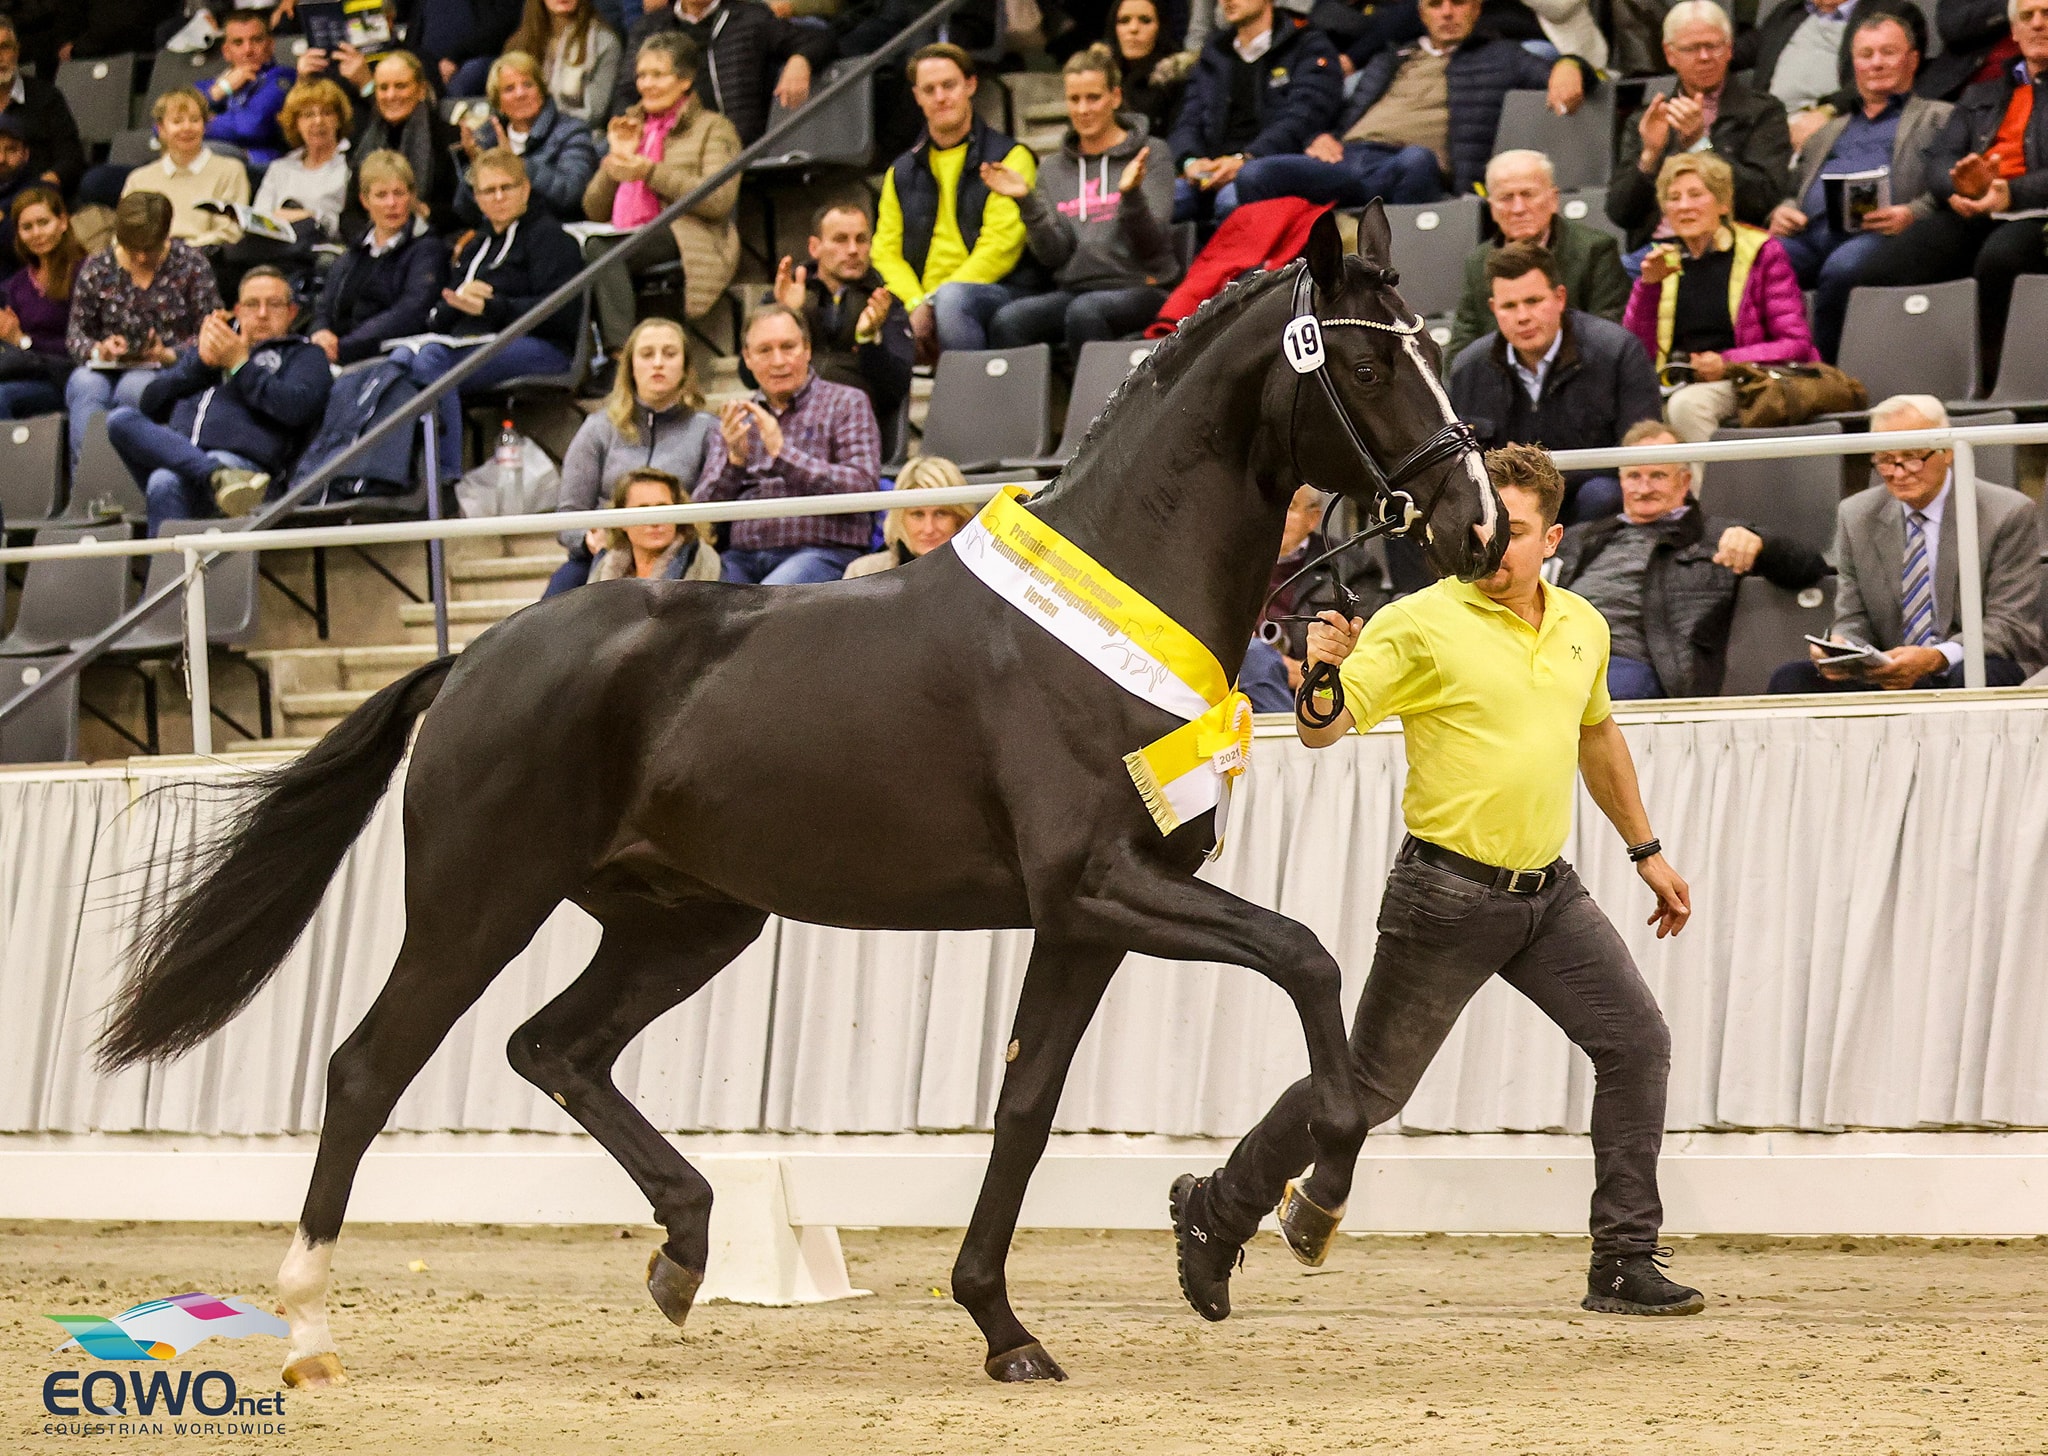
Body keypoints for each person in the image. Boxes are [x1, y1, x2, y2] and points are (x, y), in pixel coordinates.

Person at [1169, 442, 1701, 1326]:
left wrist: (1646, 849)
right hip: (1446, 898)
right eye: (1478, 528)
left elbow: (1596, 736)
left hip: (1550, 894)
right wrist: (1324, 669)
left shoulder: (1581, 624)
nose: (1490, 548)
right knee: (1367, 1094)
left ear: (1553, 537)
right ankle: (1219, 1209)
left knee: (1636, 1044)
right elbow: (1322, 729)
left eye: (1513, 533)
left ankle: (1622, 1259)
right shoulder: (1421, 621)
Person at [1769, 394, 2045, 692]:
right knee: (1792, 679)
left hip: (1976, 660)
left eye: (1912, 457)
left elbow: (2010, 625)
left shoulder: (2007, 513)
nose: (1898, 473)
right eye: (1886, 460)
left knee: (1970, 677)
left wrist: (1934, 658)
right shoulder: (1856, 515)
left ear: (1947, 451)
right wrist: (1842, 647)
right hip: (1890, 669)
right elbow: (1853, 617)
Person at [1845, 0, 2048, 388]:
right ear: (2015, 33)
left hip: (2035, 213)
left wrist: (2009, 193)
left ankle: (1991, 388)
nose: (2038, 24)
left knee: (2000, 257)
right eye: (2028, 17)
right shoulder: (1981, 95)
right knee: (1876, 270)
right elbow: (1940, 158)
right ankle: (1892, 390)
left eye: (2047, 14)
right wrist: (1958, 186)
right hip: (1972, 211)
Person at [1553, 420, 1829, 699]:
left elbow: (1810, 567)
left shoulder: (1716, 537)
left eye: (1658, 475)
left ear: (1684, 481)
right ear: (1621, 480)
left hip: (1635, 663)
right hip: (1559, 652)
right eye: (1634, 475)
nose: (1644, 488)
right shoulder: (1580, 538)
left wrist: (1763, 544)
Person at [1232, 0, 1591, 209]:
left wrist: (1571, 64)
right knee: (1254, 175)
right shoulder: (1391, 57)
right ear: (1422, 12)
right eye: (1436, 4)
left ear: (1477, 8)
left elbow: (1571, 74)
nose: (1447, 12)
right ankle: (1266, 285)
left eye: (1458, 2)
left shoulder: (1501, 55)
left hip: (1411, 165)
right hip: (1348, 159)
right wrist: (1323, 137)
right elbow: (1349, 114)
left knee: (1417, 160)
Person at [1766, 10, 1953, 362]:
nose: (1876, 63)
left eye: (1888, 52)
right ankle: (1760, 369)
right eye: (1866, 55)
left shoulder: (1940, 118)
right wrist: (1786, 209)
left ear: (1912, 60)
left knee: (1843, 268)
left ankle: (1825, 374)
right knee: (1759, 260)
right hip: (1809, 235)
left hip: (1881, 234)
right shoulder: (1826, 131)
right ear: (1854, 65)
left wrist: (1912, 213)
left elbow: (1950, 183)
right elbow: (1792, 188)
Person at [392, 149, 584, 478]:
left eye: (506, 188)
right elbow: (437, 317)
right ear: (477, 198)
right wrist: (456, 304)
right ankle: (398, 479)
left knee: (432, 360)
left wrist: (492, 307)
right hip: (473, 341)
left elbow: (561, 312)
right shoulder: (473, 247)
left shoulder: (551, 238)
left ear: (525, 189)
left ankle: (445, 482)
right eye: (487, 191)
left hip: (543, 346)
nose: (497, 198)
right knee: (399, 359)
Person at [106, 265, 332, 535]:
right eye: (252, 304)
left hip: (252, 476)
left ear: (292, 312)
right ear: (237, 311)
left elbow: (297, 408)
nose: (262, 314)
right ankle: (216, 475)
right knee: (120, 420)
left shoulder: (305, 355)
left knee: (163, 480)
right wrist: (201, 366)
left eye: (273, 305)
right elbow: (153, 403)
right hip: (186, 462)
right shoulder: (210, 350)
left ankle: (173, 573)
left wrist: (239, 365)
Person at [981, 45, 1180, 351]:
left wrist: (1131, 196)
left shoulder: (1150, 153)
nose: (1083, 109)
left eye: (1093, 98)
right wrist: (1026, 201)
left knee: (1085, 312)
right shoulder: (1052, 168)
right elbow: (1054, 257)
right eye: (1074, 99)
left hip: (1142, 285)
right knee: (1009, 320)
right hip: (1077, 289)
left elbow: (1152, 246)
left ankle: (1095, 401)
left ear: (1114, 97)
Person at [1450, 242, 1662, 523]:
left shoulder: (1618, 353)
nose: (1523, 317)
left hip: (1588, 507)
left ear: (1560, 298)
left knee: (1602, 494)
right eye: (1509, 306)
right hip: (1507, 509)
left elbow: (1640, 459)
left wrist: (1541, 469)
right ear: (1493, 309)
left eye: (1534, 301)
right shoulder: (1468, 369)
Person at [1623, 153, 1817, 443]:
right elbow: (1637, 351)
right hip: (1676, 382)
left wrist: (1727, 362)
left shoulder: (1761, 251)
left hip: (1749, 381)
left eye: (1696, 195)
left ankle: (1708, 491)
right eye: (1673, 198)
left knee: (1688, 405)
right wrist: (1647, 285)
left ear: (1723, 203)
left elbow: (1796, 344)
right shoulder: (1663, 259)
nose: (1684, 206)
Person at [693, 303, 882, 584]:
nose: (778, 361)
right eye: (764, 351)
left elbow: (863, 486)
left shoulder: (847, 402)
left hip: (822, 551)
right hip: (742, 556)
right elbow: (702, 510)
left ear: (807, 350)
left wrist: (782, 454)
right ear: (747, 358)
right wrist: (734, 460)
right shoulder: (738, 415)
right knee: (699, 602)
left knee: (767, 600)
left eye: (788, 347)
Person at [872, 45, 1041, 356]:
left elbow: (1000, 247)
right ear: (917, 97)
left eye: (949, 85)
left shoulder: (1009, 157)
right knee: (866, 321)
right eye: (929, 89)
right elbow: (884, 252)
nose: (940, 97)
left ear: (970, 86)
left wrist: (934, 302)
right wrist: (915, 302)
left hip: (1000, 289)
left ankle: (967, 401)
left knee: (953, 300)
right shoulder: (901, 171)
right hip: (922, 298)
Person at [582, 30, 742, 349]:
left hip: (689, 233)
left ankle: (619, 354)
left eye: (658, 74)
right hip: (631, 232)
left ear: (685, 81)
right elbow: (594, 209)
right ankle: (585, 357)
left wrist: (650, 172)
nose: (646, 84)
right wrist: (616, 160)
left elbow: (718, 200)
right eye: (641, 75)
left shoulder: (713, 127)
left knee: (600, 250)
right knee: (573, 249)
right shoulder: (630, 125)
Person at [550, 316, 721, 593]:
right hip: (604, 554)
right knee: (552, 609)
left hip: (682, 556)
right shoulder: (598, 428)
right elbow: (568, 515)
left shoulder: (708, 429)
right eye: (646, 354)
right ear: (630, 367)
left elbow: (712, 511)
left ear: (686, 367)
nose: (657, 363)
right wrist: (587, 539)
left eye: (669, 354)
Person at [1607, 2, 1794, 251]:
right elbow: (1621, 214)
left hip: (1730, 244)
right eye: (1692, 48)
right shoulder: (1647, 119)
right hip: (1661, 247)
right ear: (1670, 54)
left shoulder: (1763, 111)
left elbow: (1763, 200)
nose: (1704, 57)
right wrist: (1649, 157)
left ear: (1729, 49)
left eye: (1713, 46)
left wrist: (1698, 145)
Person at [64, 192, 222, 469]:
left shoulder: (191, 265)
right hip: (108, 366)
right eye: (131, 247)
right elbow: (76, 334)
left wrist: (169, 354)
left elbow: (213, 331)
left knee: (133, 387)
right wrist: (99, 349)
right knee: (83, 383)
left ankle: (127, 485)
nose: (139, 256)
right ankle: (89, 482)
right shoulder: (98, 268)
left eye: (149, 249)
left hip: (167, 367)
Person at [1445, 149, 1631, 362]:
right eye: (1506, 198)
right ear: (1492, 209)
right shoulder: (1477, 263)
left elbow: (1608, 335)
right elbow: (1461, 351)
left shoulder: (1595, 250)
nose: (1518, 208)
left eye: (1527, 194)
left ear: (1553, 199)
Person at [1167, 0, 1341, 223]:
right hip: (1210, 171)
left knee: (1232, 199)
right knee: (1158, 200)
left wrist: (1246, 159)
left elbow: (1305, 116)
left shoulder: (1307, 43)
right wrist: (1190, 161)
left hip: (1271, 168)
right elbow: (1187, 119)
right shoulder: (1214, 52)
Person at [608, 0, 832, 145]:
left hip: (732, 145)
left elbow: (820, 38)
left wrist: (800, 59)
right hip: (667, 145)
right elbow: (627, 90)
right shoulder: (650, 27)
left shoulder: (750, 18)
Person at [772, 199, 914, 423]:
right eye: (840, 240)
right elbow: (749, 373)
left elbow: (895, 389)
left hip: (853, 425)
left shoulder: (886, 304)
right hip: (789, 419)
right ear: (814, 247)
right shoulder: (785, 294)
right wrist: (787, 316)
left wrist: (868, 340)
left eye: (861, 240)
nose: (852, 250)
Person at [308, 151, 450, 368]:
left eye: (399, 193)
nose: (391, 203)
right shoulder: (354, 251)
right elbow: (325, 305)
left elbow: (410, 311)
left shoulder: (427, 249)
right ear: (365, 200)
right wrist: (320, 332)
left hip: (385, 357)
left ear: (412, 196)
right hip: (336, 354)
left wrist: (344, 347)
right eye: (381, 195)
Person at [1735, 0, 1924, 152]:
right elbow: (1737, 51)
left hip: (1835, 121)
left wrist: (1828, 111)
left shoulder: (1891, 12)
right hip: (1767, 123)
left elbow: (1884, 76)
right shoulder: (1789, 12)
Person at [453, 52, 600, 225]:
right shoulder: (488, 137)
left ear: (541, 90)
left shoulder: (572, 131)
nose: (520, 94)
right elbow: (464, 210)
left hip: (555, 230)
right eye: (509, 89)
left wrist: (517, 164)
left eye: (528, 85)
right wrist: (476, 167)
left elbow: (572, 193)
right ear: (498, 102)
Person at [345, 51, 461, 234]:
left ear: (421, 90)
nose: (391, 95)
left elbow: (461, 212)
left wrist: (424, 212)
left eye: (400, 86)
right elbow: (350, 213)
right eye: (383, 88)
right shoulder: (363, 140)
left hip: (431, 241)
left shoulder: (449, 138)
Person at [556, 467, 722, 593]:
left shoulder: (701, 560)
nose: (655, 521)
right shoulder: (606, 564)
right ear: (622, 520)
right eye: (643, 510)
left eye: (663, 508)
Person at [122, 89, 251, 251]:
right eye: (177, 121)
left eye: (195, 120)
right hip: (147, 257)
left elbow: (229, 231)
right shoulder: (139, 179)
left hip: (203, 257)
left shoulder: (231, 170)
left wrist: (180, 251)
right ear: (161, 129)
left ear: (204, 126)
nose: (187, 128)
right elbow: (125, 233)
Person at [0, 185, 86, 418]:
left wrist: (22, 341)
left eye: (43, 222)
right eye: (27, 227)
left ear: (63, 222)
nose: (36, 233)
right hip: (21, 374)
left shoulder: (85, 273)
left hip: (66, 379)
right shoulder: (16, 285)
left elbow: (79, 346)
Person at [250, 79, 355, 243]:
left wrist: (310, 217)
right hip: (278, 246)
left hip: (324, 247)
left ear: (339, 119)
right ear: (296, 124)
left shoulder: (351, 165)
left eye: (326, 113)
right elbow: (259, 218)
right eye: (308, 115)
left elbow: (353, 224)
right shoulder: (280, 167)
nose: (318, 121)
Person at [843, 454, 974, 576]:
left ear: (960, 517)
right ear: (899, 517)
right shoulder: (862, 573)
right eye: (918, 514)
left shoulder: (983, 576)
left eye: (941, 513)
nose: (929, 528)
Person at [0, 15, 87, 199]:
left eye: (4, 48)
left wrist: (47, 184)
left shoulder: (47, 97)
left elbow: (71, 158)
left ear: (17, 51)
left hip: (37, 198)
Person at [505, 0, 625, 123]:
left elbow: (594, 113)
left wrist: (545, 122)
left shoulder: (604, 43)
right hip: (521, 130)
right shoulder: (519, 44)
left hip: (578, 134)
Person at [203, 11, 295, 167]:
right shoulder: (215, 84)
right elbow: (161, 126)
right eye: (238, 43)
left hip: (265, 164)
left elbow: (251, 126)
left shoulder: (283, 78)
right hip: (225, 162)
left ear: (270, 45)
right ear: (226, 51)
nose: (248, 50)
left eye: (256, 40)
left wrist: (195, 123)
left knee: (199, 151)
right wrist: (219, 91)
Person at [1110, 0, 1195, 136]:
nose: (1133, 29)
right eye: (1124, 20)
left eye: (1145, 20)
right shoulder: (1100, 78)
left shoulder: (1180, 81)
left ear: (1161, 26)